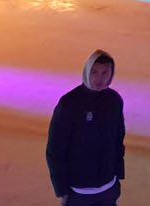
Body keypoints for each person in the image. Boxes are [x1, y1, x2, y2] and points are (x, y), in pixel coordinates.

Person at [47, 50, 126, 206]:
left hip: (108, 188)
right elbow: (55, 149)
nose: (99, 79)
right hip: (78, 192)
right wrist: (61, 188)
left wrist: (117, 174)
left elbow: (118, 139)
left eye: (105, 72)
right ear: (87, 70)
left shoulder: (114, 101)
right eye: (94, 72)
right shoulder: (69, 104)